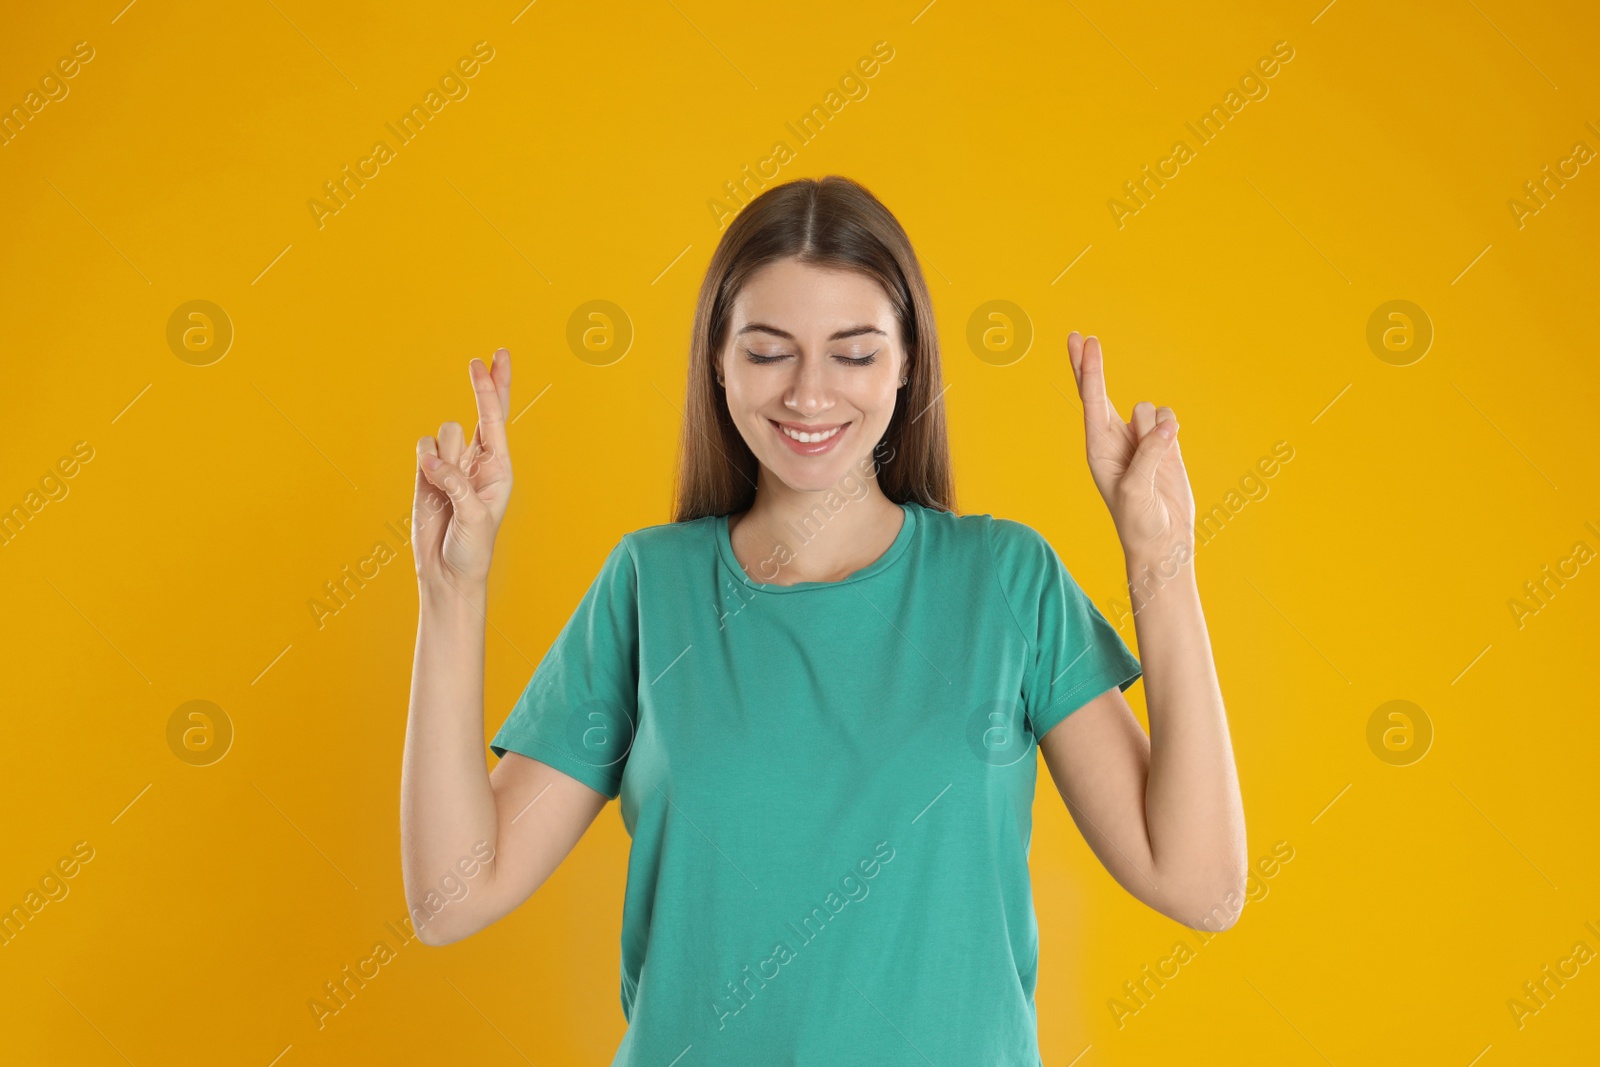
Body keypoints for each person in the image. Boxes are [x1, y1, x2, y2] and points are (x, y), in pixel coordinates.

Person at [400, 175, 1245, 1065]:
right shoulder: (652, 585)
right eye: (768, 351)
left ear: (907, 360)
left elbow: (1200, 886)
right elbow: (452, 896)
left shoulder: (1005, 579)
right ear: (717, 361)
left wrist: (1161, 561)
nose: (810, 394)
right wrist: (451, 590)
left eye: (854, 352)